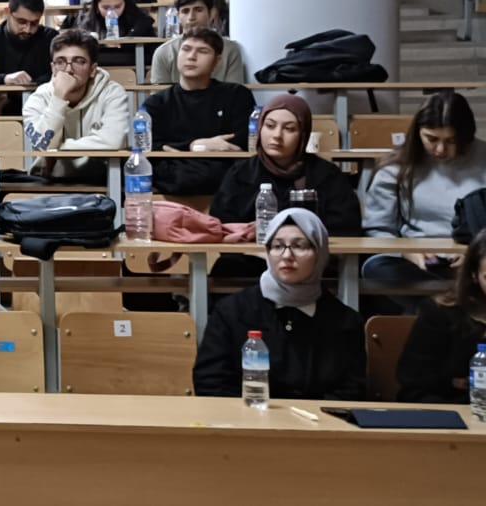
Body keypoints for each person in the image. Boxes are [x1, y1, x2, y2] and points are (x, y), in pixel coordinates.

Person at [193, 209, 365, 399]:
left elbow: (352, 390)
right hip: (246, 415)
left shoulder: (345, 321)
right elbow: (210, 381)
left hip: (318, 417)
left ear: (320, 253)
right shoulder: (231, 312)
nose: (287, 255)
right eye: (277, 246)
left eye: (299, 246)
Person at [208, 94, 362, 279]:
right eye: (270, 126)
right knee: (226, 268)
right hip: (253, 259)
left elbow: (346, 229)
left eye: (289, 129)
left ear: (303, 135)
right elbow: (224, 227)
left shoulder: (327, 175)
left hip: (310, 262)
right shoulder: (240, 173)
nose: (276, 135)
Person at [363, 92, 486, 312]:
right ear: (418, 132)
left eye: (451, 141)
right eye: (431, 139)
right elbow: (379, 230)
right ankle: (450, 310)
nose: (440, 150)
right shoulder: (395, 167)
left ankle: (440, 311)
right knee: (376, 267)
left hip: (477, 262)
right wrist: (407, 252)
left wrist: (475, 255)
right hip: (418, 265)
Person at [141, 28, 256, 195]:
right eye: (186, 49)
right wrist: (195, 146)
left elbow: (240, 142)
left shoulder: (237, 95)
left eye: (202, 51)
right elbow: (149, 144)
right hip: (177, 171)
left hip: (221, 170)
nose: (191, 56)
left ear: (217, 60)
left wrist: (179, 150)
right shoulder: (157, 102)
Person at [21, 30, 130, 178]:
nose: (68, 69)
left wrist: (60, 150)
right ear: (53, 68)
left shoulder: (113, 93)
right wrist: (59, 98)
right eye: (60, 61)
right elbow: (42, 144)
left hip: (103, 179)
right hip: (50, 179)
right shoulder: (38, 98)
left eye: (79, 61)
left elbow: (112, 141)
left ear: (92, 70)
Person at [396, 229, 486, 403]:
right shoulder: (440, 313)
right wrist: (454, 383)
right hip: (448, 405)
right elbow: (414, 380)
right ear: (474, 275)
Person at [148, 0, 248, 85]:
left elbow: (234, 91)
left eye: (198, 10)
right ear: (178, 16)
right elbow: (160, 94)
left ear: (211, 13)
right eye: (185, 11)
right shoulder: (164, 52)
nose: (191, 17)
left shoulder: (230, 50)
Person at [75, 0, 156, 40]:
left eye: (117, 7)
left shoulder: (140, 21)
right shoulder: (87, 22)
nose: (111, 12)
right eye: (106, 7)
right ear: (97, 6)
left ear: (125, 3)